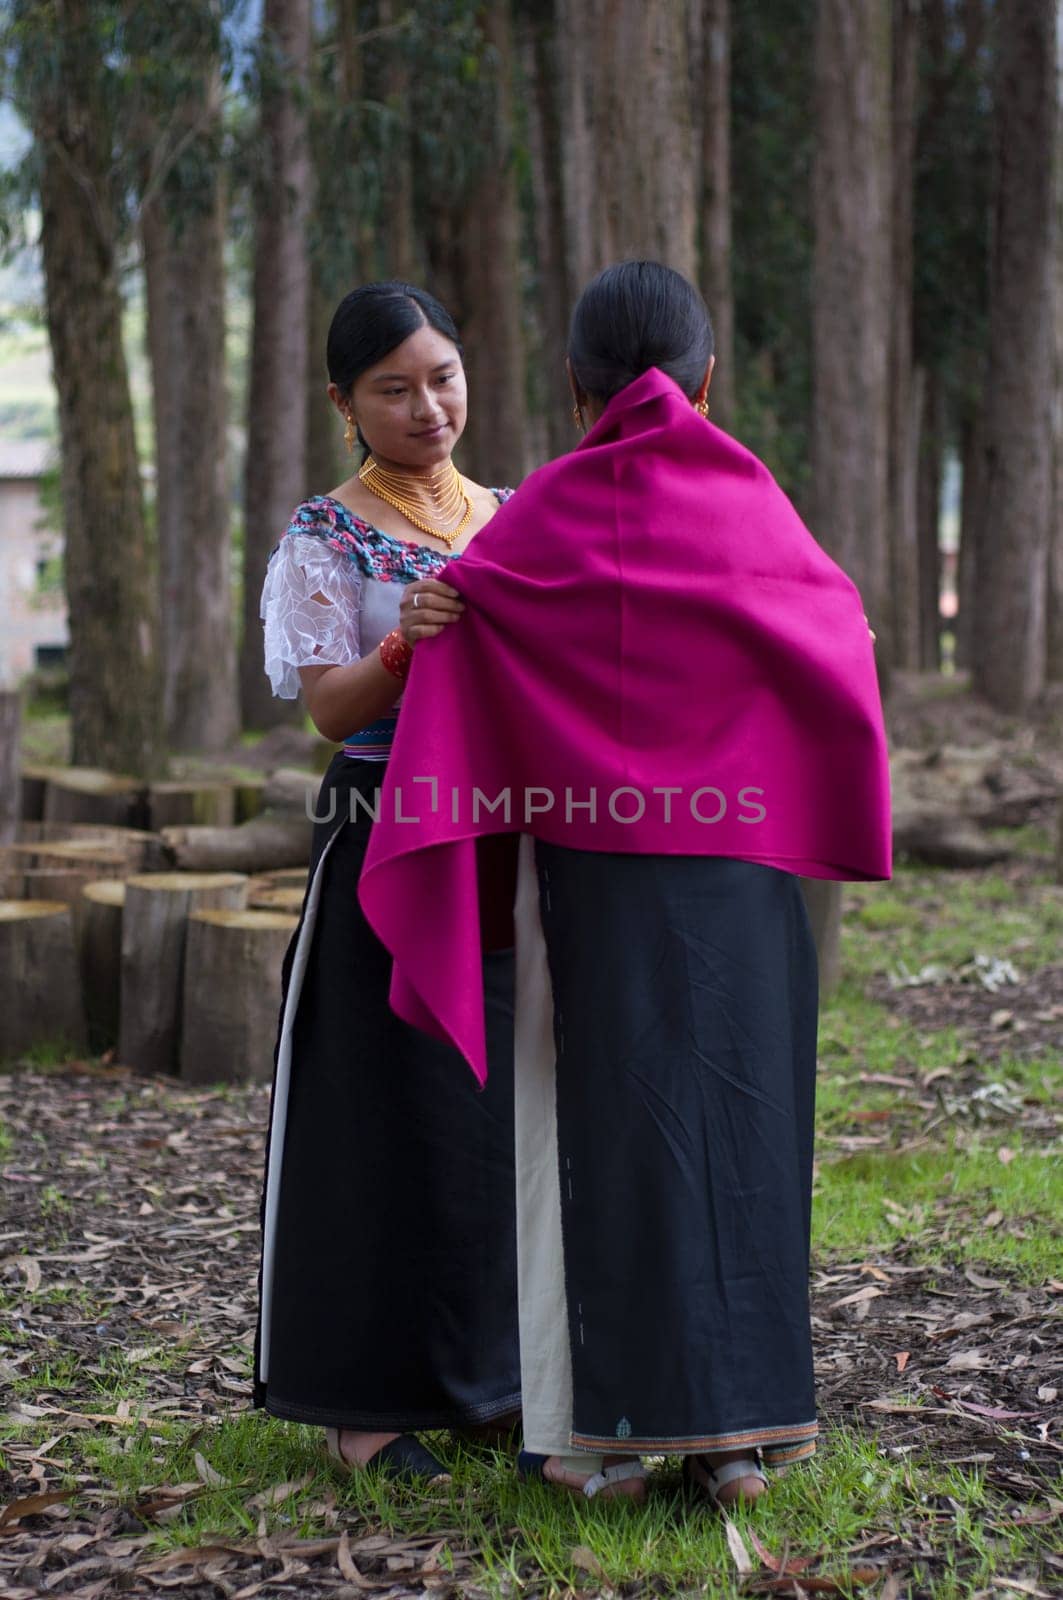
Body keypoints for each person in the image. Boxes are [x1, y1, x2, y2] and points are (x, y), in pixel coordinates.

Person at [358, 262, 891, 1507]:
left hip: (586, 885)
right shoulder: (756, 510)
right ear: (705, 379)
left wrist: (439, 613)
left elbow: (469, 619)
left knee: (580, 1137)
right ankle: (739, 1440)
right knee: (745, 1131)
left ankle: (599, 1443)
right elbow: (838, 636)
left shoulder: (537, 516)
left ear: (573, 388)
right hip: (743, 881)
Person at [253, 281, 521, 1486]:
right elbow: (329, 711)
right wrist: (405, 643)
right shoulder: (327, 534)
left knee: (483, 1116)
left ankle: (484, 1381)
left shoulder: (513, 515)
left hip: (501, 846)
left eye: (444, 377)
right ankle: (360, 1405)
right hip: (378, 841)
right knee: (376, 1112)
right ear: (344, 405)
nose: (429, 407)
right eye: (395, 389)